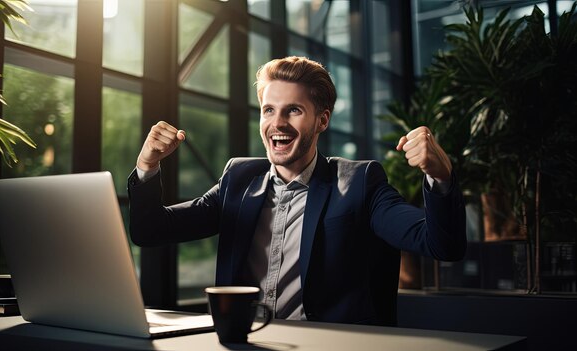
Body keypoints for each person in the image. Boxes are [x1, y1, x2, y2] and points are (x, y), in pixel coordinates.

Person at [127, 56, 466, 326]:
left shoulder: (361, 182)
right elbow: (149, 230)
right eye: (269, 110)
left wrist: (440, 175)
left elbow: (441, 244)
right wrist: (147, 165)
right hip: (244, 340)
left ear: (322, 120)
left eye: (294, 110)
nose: (278, 123)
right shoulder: (239, 180)